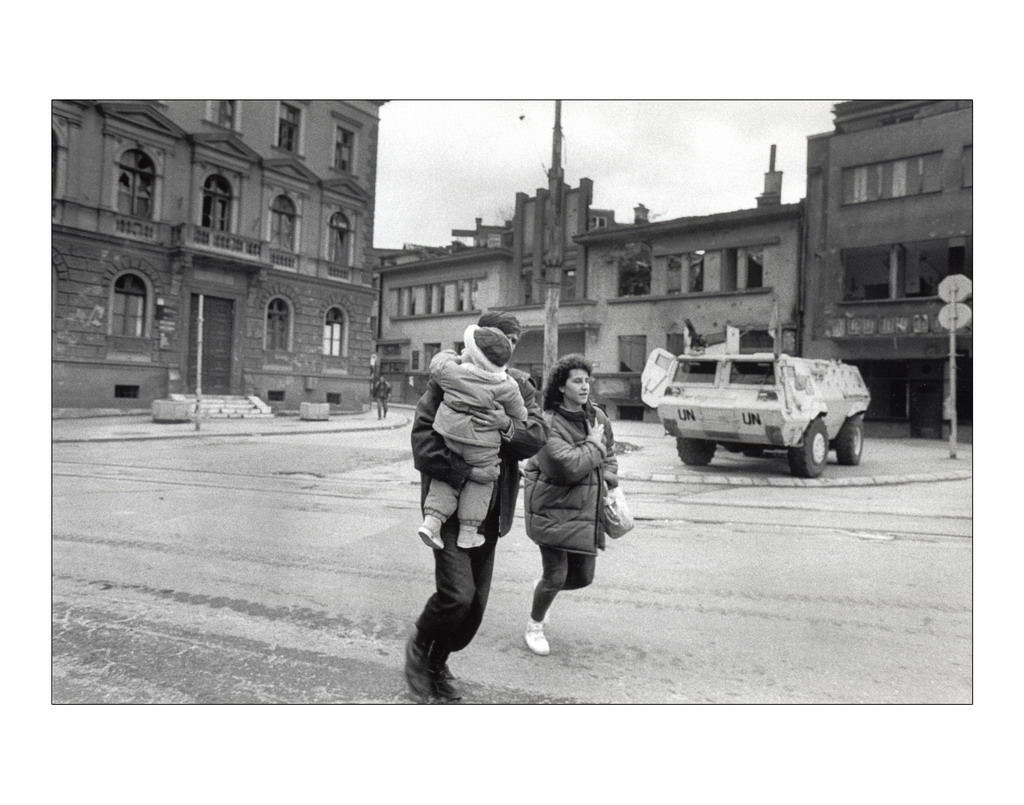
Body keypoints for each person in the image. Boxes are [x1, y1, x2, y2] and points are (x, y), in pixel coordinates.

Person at [404, 312, 548, 702]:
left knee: (474, 609)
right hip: (448, 505)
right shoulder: (450, 377)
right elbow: (423, 440)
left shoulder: (517, 386)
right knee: (457, 595)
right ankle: (419, 648)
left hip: (491, 511)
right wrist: (464, 472)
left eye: (515, 340)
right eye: (503, 338)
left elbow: (535, 437)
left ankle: (438, 663)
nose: (510, 347)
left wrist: (505, 426)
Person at [521, 354, 618, 656]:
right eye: (577, 381)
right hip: (550, 507)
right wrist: (594, 446)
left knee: (584, 577)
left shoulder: (598, 418)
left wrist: (609, 476)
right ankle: (535, 626)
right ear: (561, 387)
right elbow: (567, 467)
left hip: (585, 508)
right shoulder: (548, 423)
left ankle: (542, 588)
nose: (585, 386)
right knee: (557, 574)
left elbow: (610, 454)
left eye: (587, 380)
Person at [418, 324, 528, 550]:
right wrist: (504, 417)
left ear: (472, 355)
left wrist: (451, 355)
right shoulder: (507, 385)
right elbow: (521, 414)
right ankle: (468, 532)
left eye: (466, 349)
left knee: (444, 481)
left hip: (450, 436)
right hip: (482, 446)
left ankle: (431, 523)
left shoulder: (453, 373)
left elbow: (437, 364)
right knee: (483, 480)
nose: (463, 352)